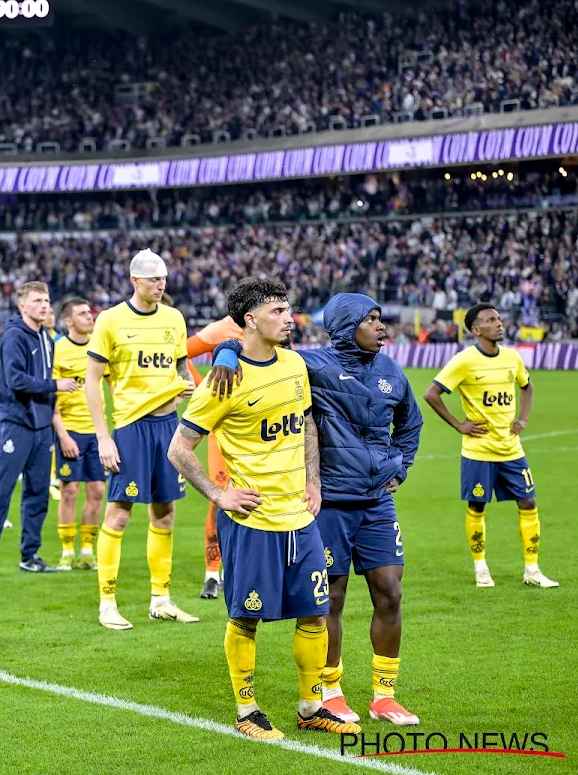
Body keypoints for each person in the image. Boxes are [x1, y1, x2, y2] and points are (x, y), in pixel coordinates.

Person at [209, 294, 423, 726]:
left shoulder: (390, 371)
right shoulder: (311, 365)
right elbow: (251, 348)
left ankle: (384, 695)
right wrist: (225, 352)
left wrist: (401, 465)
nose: (382, 326)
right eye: (371, 319)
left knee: (391, 591)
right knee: (331, 599)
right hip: (329, 503)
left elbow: (410, 420)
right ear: (345, 325)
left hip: (377, 500)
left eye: (382, 318)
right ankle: (331, 690)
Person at [170, 277, 358, 740]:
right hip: (253, 520)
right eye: (277, 311)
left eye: (288, 309)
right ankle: (246, 710)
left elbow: (307, 423)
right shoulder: (223, 378)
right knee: (246, 617)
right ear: (250, 320)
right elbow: (180, 448)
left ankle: (311, 706)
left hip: (300, 517)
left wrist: (313, 480)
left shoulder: (294, 363)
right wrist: (219, 496)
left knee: (316, 612)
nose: (289, 317)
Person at [84, 249, 197, 629]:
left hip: (169, 426)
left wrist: (187, 382)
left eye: (163, 278)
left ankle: (161, 598)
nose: (160, 285)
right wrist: (104, 438)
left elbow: (181, 364)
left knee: (165, 513)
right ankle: (107, 603)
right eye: (153, 279)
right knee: (118, 513)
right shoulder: (111, 321)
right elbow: (92, 381)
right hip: (130, 427)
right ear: (134, 280)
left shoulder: (174, 318)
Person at [424, 303, 558, 589]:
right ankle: (481, 568)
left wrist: (523, 418)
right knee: (477, 505)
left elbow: (527, 386)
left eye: (498, 318)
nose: (498, 323)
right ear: (476, 330)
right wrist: (459, 425)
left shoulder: (512, 358)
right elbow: (432, 394)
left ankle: (532, 570)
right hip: (478, 451)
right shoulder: (464, 361)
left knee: (529, 502)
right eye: (490, 320)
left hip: (512, 449)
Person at [0, 281, 75, 577]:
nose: (45, 305)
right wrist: (55, 386)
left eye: (46, 300)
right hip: (15, 424)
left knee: (38, 493)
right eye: (38, 301)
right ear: (22, 306)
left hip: (42, 427)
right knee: (1, 490)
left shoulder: (46, 336)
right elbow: (15, 379)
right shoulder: (15, 335)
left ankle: (29, 555)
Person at [184, 315, 243, 599]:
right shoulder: (223, 329)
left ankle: (254, 569)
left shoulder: (274, 325)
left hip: (263, 430)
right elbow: (178, 353)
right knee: (219, 500)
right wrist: (200, 386)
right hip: (223, 429)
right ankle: (212, 573)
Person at [50, 297, 106, 571]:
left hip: (97, 432)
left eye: (90, 312)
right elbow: (50, 398)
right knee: (69, 490)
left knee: (97, 490)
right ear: (68, 321)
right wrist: (63, 435)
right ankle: (67, 551)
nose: (90, 317)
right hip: (70, 430)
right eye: (83, 314)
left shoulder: (100, 345)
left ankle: (87, 551)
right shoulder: (57, 349)